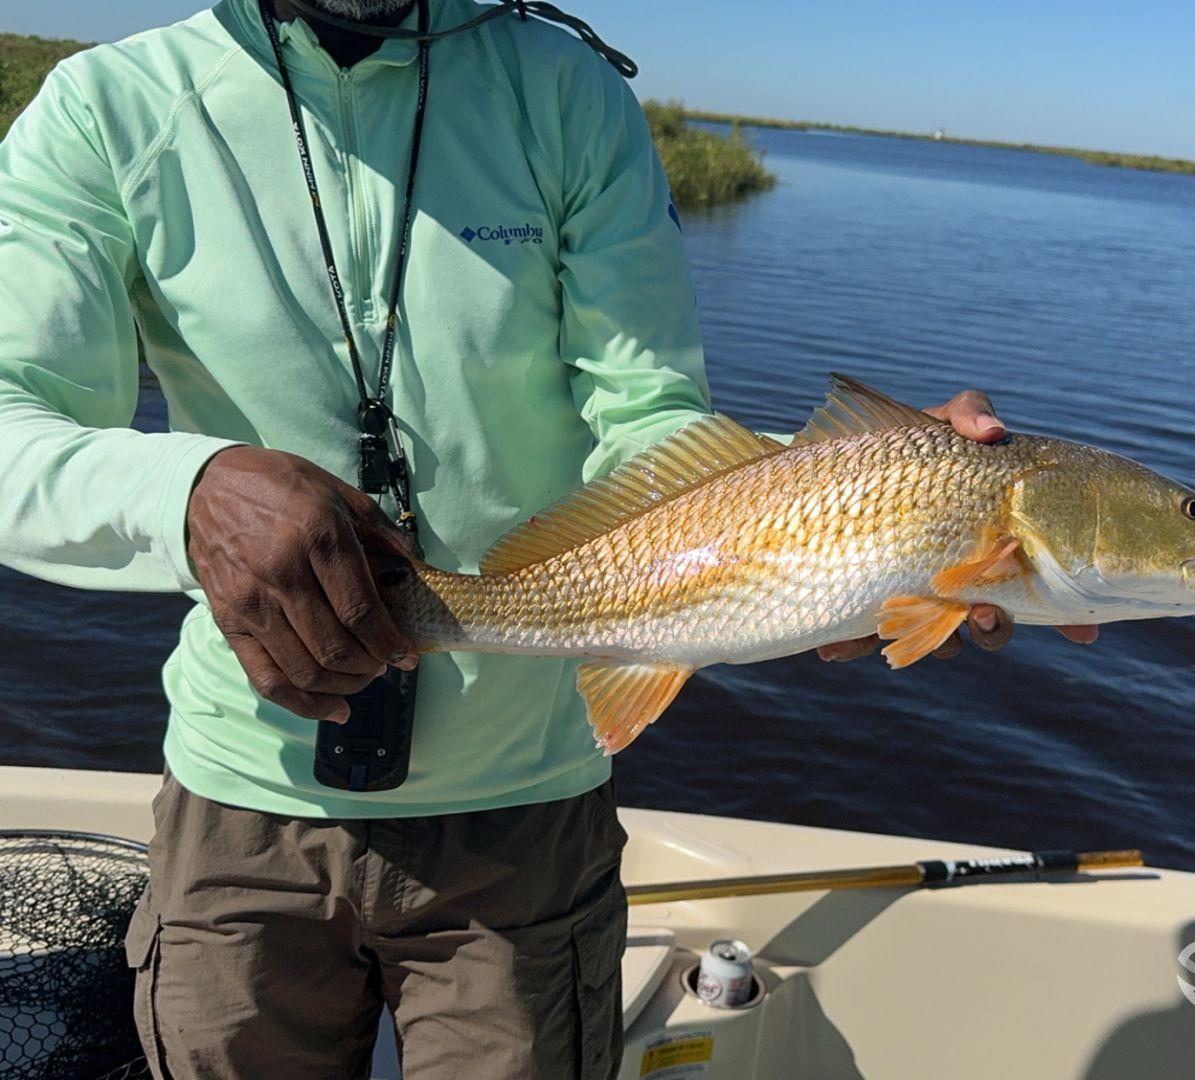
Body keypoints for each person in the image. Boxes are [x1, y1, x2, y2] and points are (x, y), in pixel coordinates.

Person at [0, 0, 1099, 1075]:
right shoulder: (108, 107)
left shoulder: (564, 92)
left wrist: (858, 504)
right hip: (242, 804)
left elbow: (653, 417)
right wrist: (188, 490)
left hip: (527, 820)